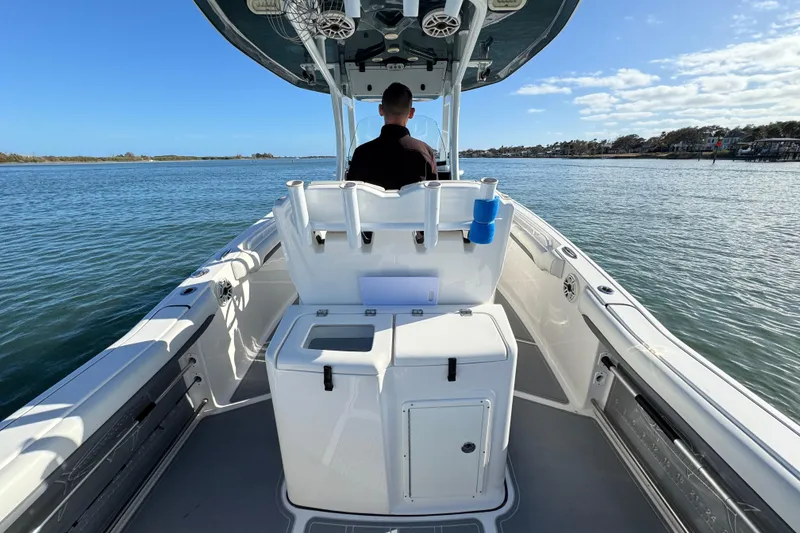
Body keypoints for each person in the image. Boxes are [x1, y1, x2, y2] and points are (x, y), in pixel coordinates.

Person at [346, 82, 438, 189]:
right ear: (411, 113)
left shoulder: (361, 154)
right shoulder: (426, 153)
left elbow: (351, 196)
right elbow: (434, 197)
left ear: (380, 110)